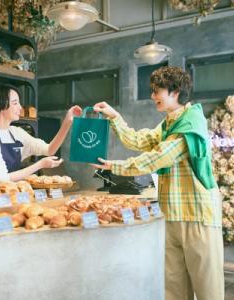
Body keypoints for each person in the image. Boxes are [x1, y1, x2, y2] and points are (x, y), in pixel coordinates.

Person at [92, 66, 224, 300]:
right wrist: (115, 117)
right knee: (173, 288)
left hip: (196, 216)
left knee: (208, 290)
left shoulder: (191, 123)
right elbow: (137, 140)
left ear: (175, 92)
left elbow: (158, 157)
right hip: (171, 215)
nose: (153, 96)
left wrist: (115, 167)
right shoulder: (168, 124)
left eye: (157, 91)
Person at [0, 84, 82, 182]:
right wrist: (39, 165)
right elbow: (1, 178)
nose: (20, 107)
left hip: (8, 194)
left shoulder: (16, 132)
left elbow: (49, 150)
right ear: (0, 107)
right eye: (15, 103)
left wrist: (67, 122)